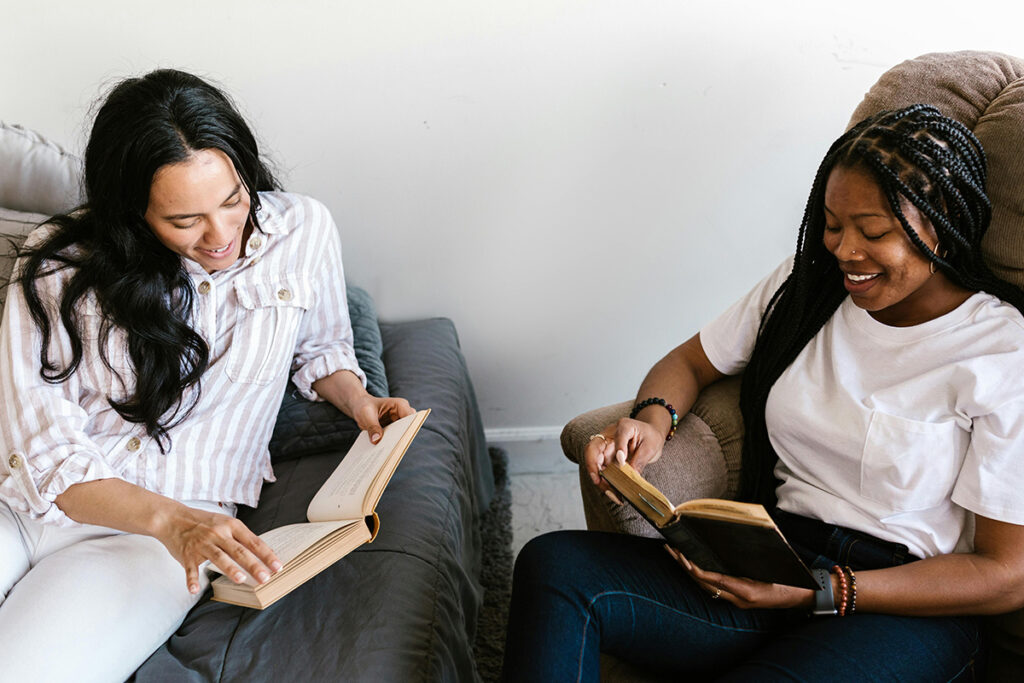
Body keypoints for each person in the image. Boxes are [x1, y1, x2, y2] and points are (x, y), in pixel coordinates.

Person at [502, 105, 1024, 682]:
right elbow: (688, 362)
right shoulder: (806, 291)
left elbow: (1005, 573)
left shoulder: (1000, 353)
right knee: (555, 566)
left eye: (873, 232)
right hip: (774, 556)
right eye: (832, 224)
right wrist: (651, 422)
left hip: (903, 605)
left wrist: (821, 594)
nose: (845, 251)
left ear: (941, 220)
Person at [0, 69, 413, 681]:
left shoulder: (301, 230)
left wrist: (357, 399)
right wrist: (175, 521)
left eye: (232, 200)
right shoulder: (55, 261)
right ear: (132, 213)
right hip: (26, 504)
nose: (222, 236)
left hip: (150, 546)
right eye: (184, 220)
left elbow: (320, 345)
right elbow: (43, 450)